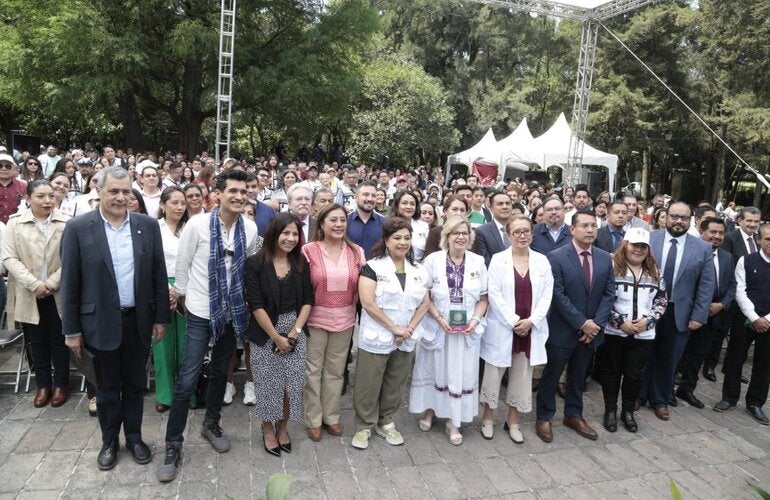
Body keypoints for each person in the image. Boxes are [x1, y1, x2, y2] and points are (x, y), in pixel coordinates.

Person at [60, 167, 169, 471]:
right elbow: (69, 283)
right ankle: (109, 441)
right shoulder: (79, 228)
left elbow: (158, 275)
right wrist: (71, 330)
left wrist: (161, 318)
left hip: (138, 321)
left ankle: (134, 437)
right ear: (99, 191)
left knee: (135, 385)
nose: (121, 197)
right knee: (106, 388)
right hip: (98, 324)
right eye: (113, 191)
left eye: (125, 191)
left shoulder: (147, 226)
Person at [158, 169, 261, 482]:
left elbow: (249, 268)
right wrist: (184, 298)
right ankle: (173, 444)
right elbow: (182, 265)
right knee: (188, 378)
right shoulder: (198, 224)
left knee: (221, 371)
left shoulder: (252, 228)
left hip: (233, 314)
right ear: (217, 193)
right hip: (201, 312)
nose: (239, 197)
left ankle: (211, 423)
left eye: (244, 192)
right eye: (233, 191)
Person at [535, 211, 615, 443]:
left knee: (578, 375)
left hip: (591, 333)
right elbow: (557, 295)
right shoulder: (556, 257)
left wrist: (596, 325)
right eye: (585, 225)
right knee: (551, 376)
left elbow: (609, 293)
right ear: (572, 229)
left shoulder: (603, 257)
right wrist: (581, 323)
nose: (590, 230)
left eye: (594, 225)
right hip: (563, 328)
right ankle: (544, 416)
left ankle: (573, 414)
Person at [351, 217, 430, 450]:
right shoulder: (372, 267)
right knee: (369, 382)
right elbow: (367, 303)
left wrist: (409, 329)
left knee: (395, 382)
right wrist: (395, 328)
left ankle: (385, 421)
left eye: (407, 238)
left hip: (405, 337)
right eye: (397, 238)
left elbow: (424, 303)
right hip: (378, 336)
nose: (403, 242)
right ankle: (364, 425)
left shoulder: (418, 270)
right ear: (386, 240)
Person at [409, 216, 488, 445]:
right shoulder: (432, 260)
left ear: (470, 237)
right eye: (456, 233)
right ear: (447, 236)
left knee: (460, 373)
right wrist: (439, 317)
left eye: (465, 233)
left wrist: (474, 319)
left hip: (466, 332)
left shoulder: (478, 262)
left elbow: (483, 298)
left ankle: (454, 420)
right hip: (438, 326)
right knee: (435, 368)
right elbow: (426, 295)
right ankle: (431, 410)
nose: (461, 237)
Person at [479, 215, 553, 443]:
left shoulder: (542, 261)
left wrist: (531, 321)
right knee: (493, 374)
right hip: (503, 327)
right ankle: (488, 417)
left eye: (526, 231)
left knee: (522, 376)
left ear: (532, 233)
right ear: (508, 235)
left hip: (530, 328)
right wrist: (513, 321)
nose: (522, 236)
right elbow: (495, 294)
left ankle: (513, 420)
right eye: (516, 232)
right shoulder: (498, 260)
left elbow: (547, 295)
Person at [638, 202, 715, 421]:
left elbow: (706, 285)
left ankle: (660, 400)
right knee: (645, 355)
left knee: (670, 358)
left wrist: (699, 315)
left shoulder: (702, 248)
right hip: (648, 309)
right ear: (665, 217)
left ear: (691, 220)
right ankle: (639, 395)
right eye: (674, 216)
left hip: (679, 312)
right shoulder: (649, 240)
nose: (678, 221)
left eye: (683, 217)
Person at [245, 213, 314, 456]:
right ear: (275, 233)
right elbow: (255, 304)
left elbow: (308, 299)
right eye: (286, 233)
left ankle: (283, 427)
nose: (291, 238)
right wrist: (276, 337)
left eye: (295, 234)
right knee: (266, 384)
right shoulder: (255, 263)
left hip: (295, 327)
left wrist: (294, 332)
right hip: (265, 331)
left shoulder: (301, 263)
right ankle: (267, 428)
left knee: (290, 385)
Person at [301, 204, 365, 442]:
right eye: (333, 220)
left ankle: (332, 416)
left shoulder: (356, 251)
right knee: (313, 372)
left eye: (342, 220)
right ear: (322, 224)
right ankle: (313, 419)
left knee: (336, 372)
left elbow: (362, 288)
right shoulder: (308, 250)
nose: (339, 224)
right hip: (315, 319)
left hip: (345, 319)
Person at [3, 180, 70, 407]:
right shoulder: (15, 224)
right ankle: (43, 384)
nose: (47, 201)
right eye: (41, 196)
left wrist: (51, 283)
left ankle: (61, 384)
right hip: (28, 291)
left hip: (57, 291)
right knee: (36, 340)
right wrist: (34, 284)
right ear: (28, 198)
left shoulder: (66, 222)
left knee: (60, 338)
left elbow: (71, 257)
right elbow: (9, 257)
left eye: (51, 196)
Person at [601, 228, 667, 433]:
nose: (638, 250)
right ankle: (610, 410)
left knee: (634, 376)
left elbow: (661, 300)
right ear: (625, 245)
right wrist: (619, 321)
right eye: (634, 245)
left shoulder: (655, 271)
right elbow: (604, 299)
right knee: (612, 373)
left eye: (642, 247)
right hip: (616, 332)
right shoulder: (611, 268)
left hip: (643, 334)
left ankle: (627, 411)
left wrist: (648, 321)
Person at [714, 222, 770, 424]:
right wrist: (754, 318)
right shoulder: (746, 261)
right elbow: (740, 291)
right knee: (735, 359)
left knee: (764, 365)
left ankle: (755, 403)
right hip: (744, 319)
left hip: (769, 324)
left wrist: (766, 320)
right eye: (767, 239)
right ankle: (728, 398)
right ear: (759, 240)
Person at [676, 217, 734, 409]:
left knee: (698, 355)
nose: (716, 237)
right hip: (688, 313)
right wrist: (699, 306)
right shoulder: (690, 252)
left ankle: (686, 389)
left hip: (713, 315)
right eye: (713, 232)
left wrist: (722, 305)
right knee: (678, 353)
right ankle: (666, 390)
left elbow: (733, 285)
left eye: (720, 233)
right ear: (702, 232)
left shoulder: (727, 257)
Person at [705, 206, 761, 381]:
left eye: (756, 221)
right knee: (720, 334)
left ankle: (731, 368)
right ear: (740, 221)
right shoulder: (729, 239)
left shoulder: (760, 240)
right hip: (731, 296)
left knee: (740, 338)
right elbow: (725, 268)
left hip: (751, 299)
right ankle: (710, 366)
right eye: (749, 221)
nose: (752, 225)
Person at [152, 187, 191, 413]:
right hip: (159, 287)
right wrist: (167, 289)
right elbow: (149, 261)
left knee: (188, 343)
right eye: (174, 202)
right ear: (163, 204)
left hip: (187, 288)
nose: (179, 207)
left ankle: (188, 392)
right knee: (162, 342)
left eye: (182, 203)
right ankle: (165, 394)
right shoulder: (153, 228)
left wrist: (179, 290)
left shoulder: (191, 228)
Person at [474, 192, 513, 267]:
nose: (505, 207)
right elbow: (485, 261)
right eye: (500, 204)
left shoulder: (520, 229)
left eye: (508, 203)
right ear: (491, 208)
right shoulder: (481, 232)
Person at [346, 181, 384, 259]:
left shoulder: (385, 222)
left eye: (373, 195)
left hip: (376, 269)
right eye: (366, 195)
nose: (370, 199)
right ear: (355, 197)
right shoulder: (345, 221)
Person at [390, 190, 430, 262]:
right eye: (404, 203)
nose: (409, 207)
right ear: (397, 205)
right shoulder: (388, 225)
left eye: (412, 204)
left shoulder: (423, 226)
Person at [0, 153, 27, 224]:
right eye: (0, 166)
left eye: (8, 166)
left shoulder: (23, 186)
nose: (3, 168)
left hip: (17, 226)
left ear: (14, 168)